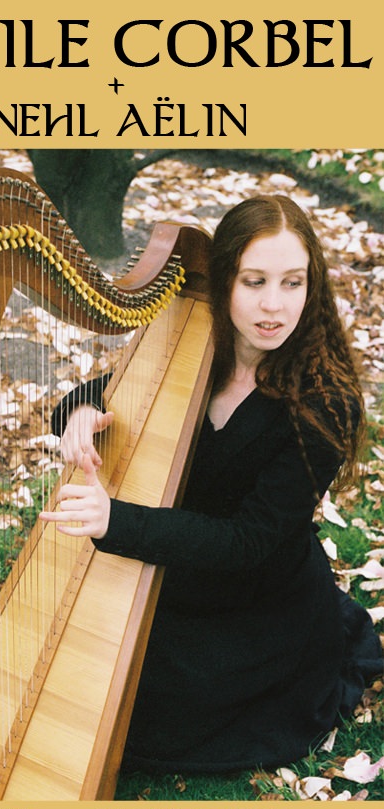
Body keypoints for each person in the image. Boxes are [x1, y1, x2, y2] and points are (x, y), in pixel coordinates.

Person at [40, 194, 382, 775]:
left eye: (292, 283)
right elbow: (100, 390)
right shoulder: (200, 340)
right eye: (254, 281)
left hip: (251, 596)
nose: (274, 305)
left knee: (140, 707)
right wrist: (80, 412)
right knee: (75, 672)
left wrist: (114, 521)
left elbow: (247, 542)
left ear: (312, 286)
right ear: (224, 280)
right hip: (174, 566)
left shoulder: (326, 400)